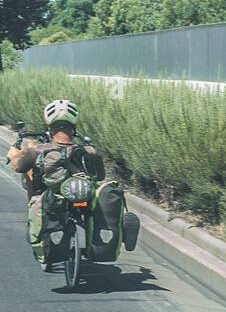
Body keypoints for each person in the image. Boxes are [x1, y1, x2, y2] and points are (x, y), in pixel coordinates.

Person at [7, 99, 136, 266]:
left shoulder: (37, 151)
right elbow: (100, 176)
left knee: (30, 177)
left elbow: (18, 167)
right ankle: (118, 231)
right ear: (73, 128)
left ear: (50, 127)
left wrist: (13, 155)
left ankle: (36, 221)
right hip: (85, 197)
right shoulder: (89, 151)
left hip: (52, 198)